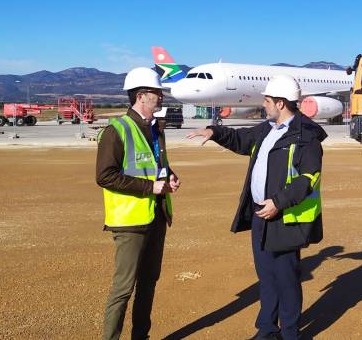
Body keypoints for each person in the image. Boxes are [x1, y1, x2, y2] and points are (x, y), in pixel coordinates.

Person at [187, 74, 325, 340]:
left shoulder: (306, 137)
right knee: (267, 277)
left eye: (268, 100)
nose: (264, 104)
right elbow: (242, 139)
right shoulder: (268, 129)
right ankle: (267, 330)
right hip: (262, 214)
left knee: (285, 279)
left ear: (281, 103)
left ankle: (290, 333)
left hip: (286, 218)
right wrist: (215, 132)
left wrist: (278, 203)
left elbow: (309, 179)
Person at [96, 67, 181, 340]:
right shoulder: (116, 130)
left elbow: (156, 166)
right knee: (123, 289)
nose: (161, 97)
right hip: (130, 222)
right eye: (157, 92)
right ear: (142, 96)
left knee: (148, 284)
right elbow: (104, 176)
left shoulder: (156, 129)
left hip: (156, 216)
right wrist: (149, 186)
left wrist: (170, 177)